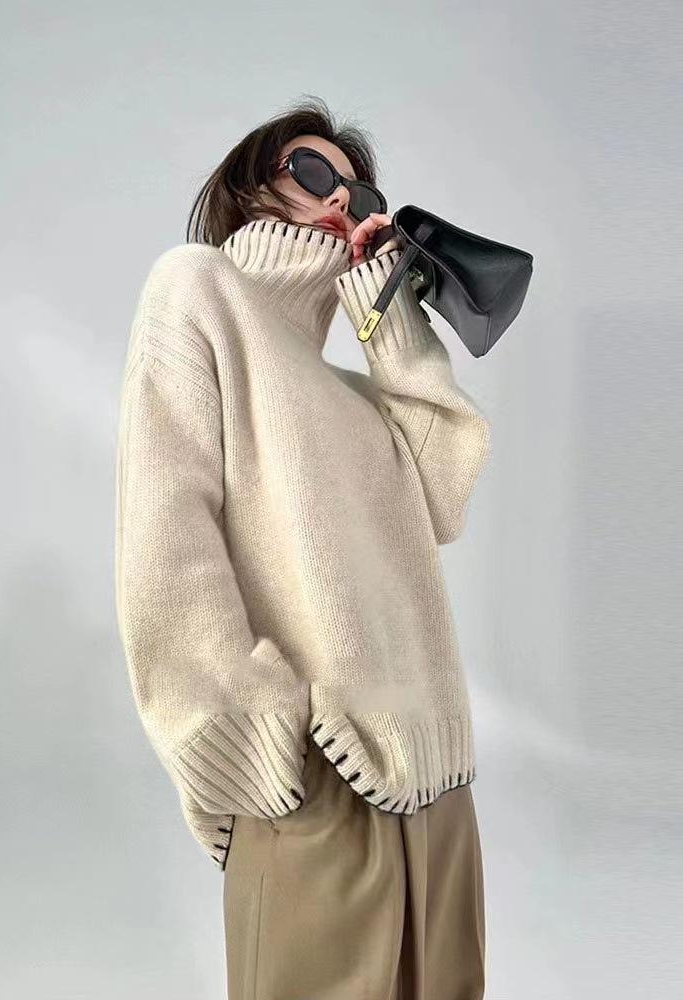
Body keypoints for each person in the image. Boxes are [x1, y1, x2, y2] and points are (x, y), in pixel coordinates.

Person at [114, 96, 490, 999]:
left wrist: (390, 317)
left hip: (440, 790)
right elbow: (166, 539)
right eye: (314, 173)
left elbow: (444, 493)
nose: (341, 200)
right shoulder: (196, 289)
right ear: (249, 189)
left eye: (361, 192)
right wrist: (261, 735)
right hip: (319, 778)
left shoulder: (358, 396)